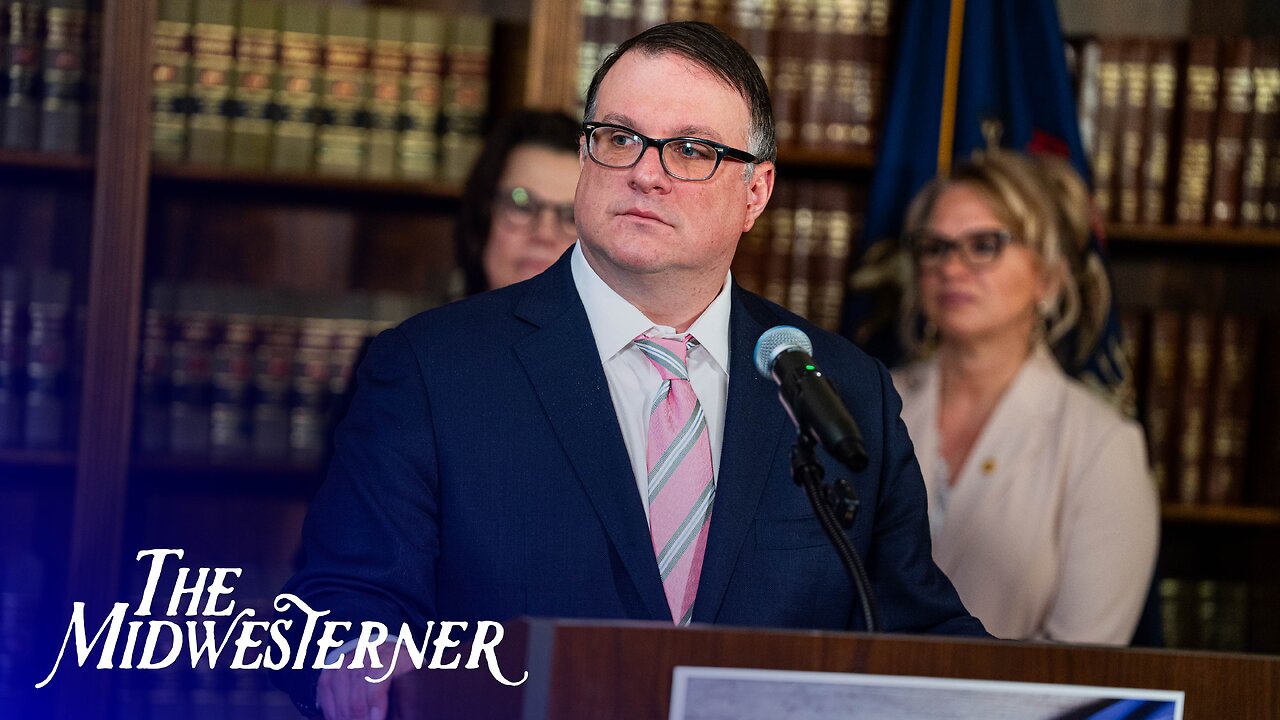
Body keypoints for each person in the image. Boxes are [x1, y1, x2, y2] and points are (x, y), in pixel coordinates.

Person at [274, 22, 985, 720]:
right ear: (587, 157)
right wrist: (355, 649)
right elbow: (339, 604)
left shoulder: (840, 388)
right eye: (618, 139)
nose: (646, 173)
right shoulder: (432, 369)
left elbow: (918, 637)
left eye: (692, 149)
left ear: (756, 192)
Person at [889, 149, 1159, 644]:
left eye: (984, 245)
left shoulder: (1102, 445)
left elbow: (1082, 667)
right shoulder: (868, 400)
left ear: (1048, 276)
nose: (952, 267)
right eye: (936, 246)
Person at [454, 109, 581, 295]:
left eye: (571, 216)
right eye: (522, 207)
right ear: (481, 215)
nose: (544, 234)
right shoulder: (427, 325)